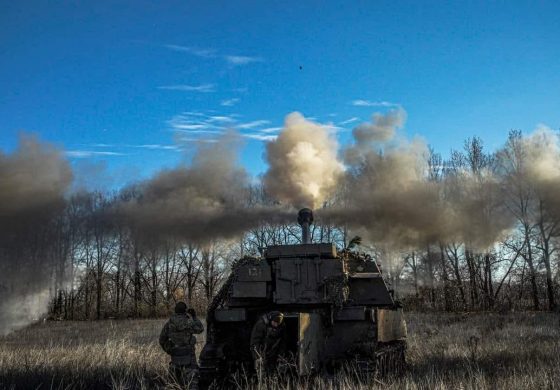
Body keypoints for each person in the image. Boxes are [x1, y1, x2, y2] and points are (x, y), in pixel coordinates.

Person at [159, 302, 204, 389]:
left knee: (174, 383)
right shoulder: (189, 323)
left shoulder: (169, 324)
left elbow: (162, 340)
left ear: (175, 310)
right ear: (185, 311)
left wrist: (169, 349)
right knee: (192, 382)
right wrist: (194, 317)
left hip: (175, 357)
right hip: (189, 357)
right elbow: (200, 329)